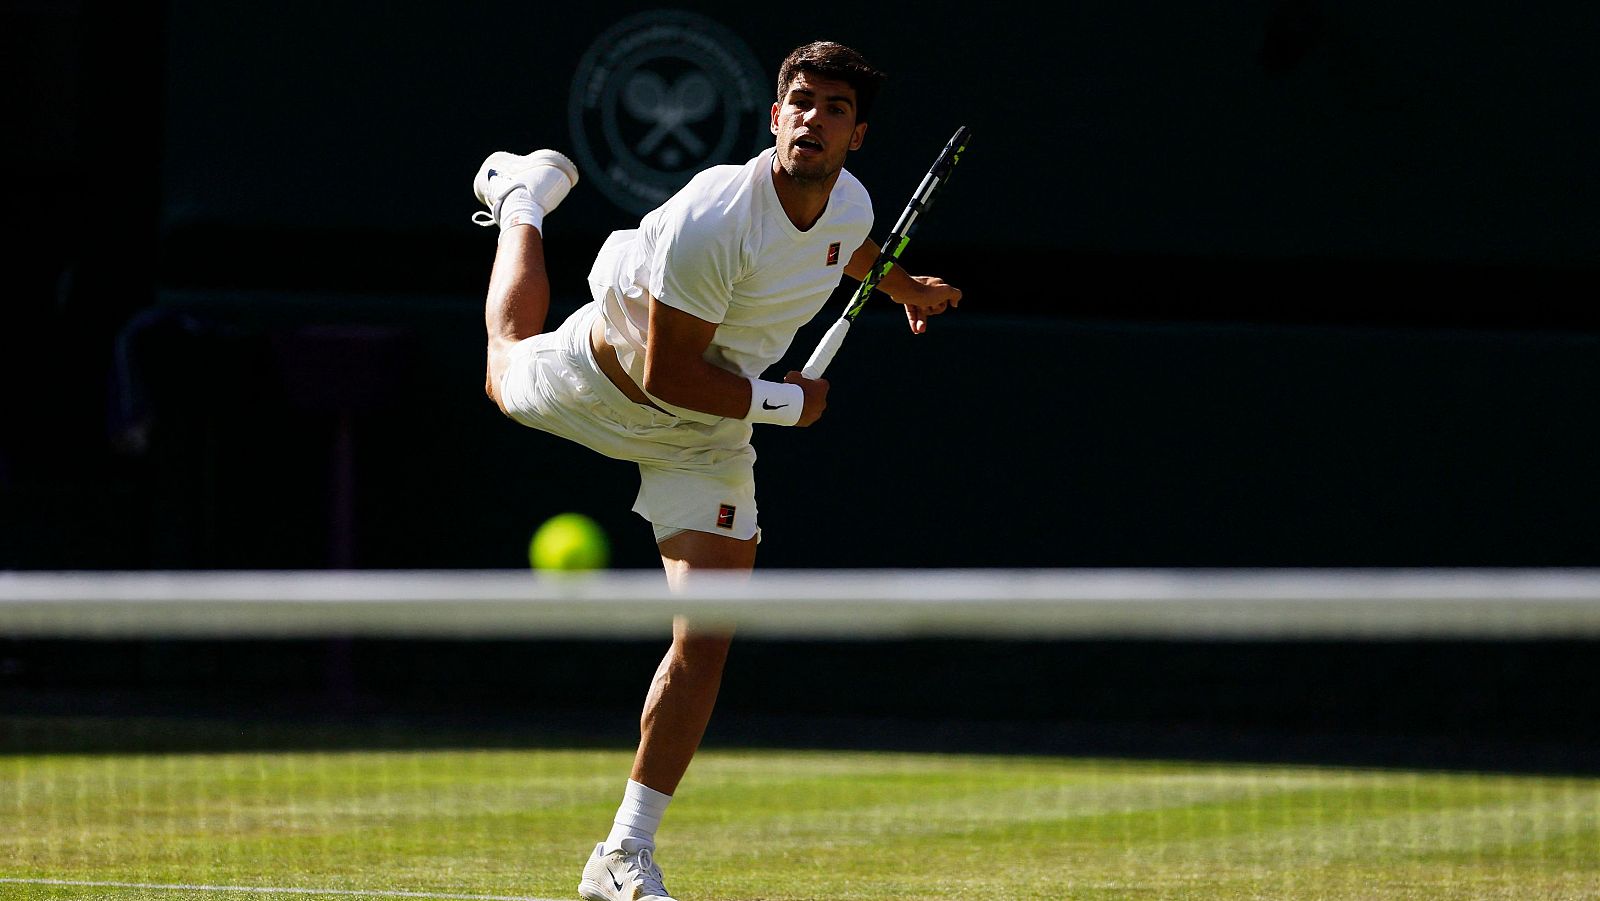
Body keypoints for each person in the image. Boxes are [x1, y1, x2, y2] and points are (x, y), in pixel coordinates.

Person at [470, 40, 962, 901]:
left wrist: (902, 285)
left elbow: (847, 247)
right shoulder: (715, 214)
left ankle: (622, 852)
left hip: (706, 435)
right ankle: (521, 200)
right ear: (775, 118)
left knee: (707, 636)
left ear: (856, 135)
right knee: (503, 369)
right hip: (611, 377)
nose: (813, 117)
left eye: (834, 108)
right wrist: (787, 405)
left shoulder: (851, 203)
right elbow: (668, 374)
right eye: (800, 102)